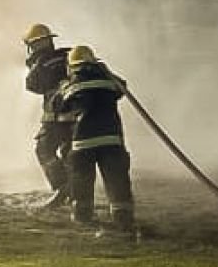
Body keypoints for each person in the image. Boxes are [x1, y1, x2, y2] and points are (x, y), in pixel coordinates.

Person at [53, 44, 135, 234]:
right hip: (111, 140)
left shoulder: (71, 85)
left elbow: (57, 105)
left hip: (83, 142)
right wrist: (106, 72)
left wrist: (63, 86)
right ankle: (123, 217)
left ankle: (83, 216)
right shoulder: (109, 81)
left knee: (81, 180)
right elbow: (122, 88)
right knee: (117, 180)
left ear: (72, 66)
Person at [23, 23, 73, 209]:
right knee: (70, 153)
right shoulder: (69, 56)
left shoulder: (41, 63)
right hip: (78, 115)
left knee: (44, 149)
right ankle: (75, 195)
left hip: (55, 118)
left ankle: (62, 188)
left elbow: (32, 86)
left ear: (33, 45)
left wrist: (33, 66)